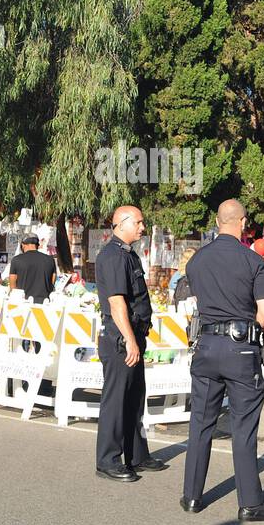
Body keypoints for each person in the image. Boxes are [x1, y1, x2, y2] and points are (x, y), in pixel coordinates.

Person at [180, 199, 264, 522]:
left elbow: (199, 302)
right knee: (243, 426)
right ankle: (251, 504)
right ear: (243, 223)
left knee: (201, 422)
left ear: (216, 221)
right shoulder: (254, 262)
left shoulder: (196, 262)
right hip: (240, 350)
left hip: (206, 347)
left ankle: (192, 496)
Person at [92, 205, 167, 483]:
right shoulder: (113, 256)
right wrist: (129, 340)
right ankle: (108, 460)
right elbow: (116, 303)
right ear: (121, 223)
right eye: (138, 222)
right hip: (120, 339)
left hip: (132, 335)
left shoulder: (128, 254)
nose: (142, 227)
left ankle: (136, 455)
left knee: (134, 398)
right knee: (115, 401)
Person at [8, 234, 56, 303]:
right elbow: (52, 281)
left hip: (23, 303)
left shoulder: (16, 260)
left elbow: (13, 287)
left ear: (23, 245)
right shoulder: (50, 260)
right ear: (37, 245)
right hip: (44, 303)